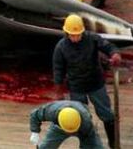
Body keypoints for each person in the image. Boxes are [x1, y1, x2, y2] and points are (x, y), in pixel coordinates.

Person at [52, 14, 122, 148]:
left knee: (107, 115)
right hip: (76, 87)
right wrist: (58, 92)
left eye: (78, 34)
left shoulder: (92, 38)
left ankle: (113, 143)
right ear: (66, 33)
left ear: (83, 31)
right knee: (82, 119)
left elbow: (108, 46)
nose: (75, 38)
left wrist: (115, 54)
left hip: (96, 84)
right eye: (72, 35)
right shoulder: (60, 48)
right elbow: (58, 70)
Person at [29, 100, 104, 148]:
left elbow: (87, 142)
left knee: (95, 146)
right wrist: (35, 132)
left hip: (81, 129)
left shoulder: (86, 121)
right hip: (59, 127)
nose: (69, 132)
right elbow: (34, 115)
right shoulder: (51, 111)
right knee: (46, 147)